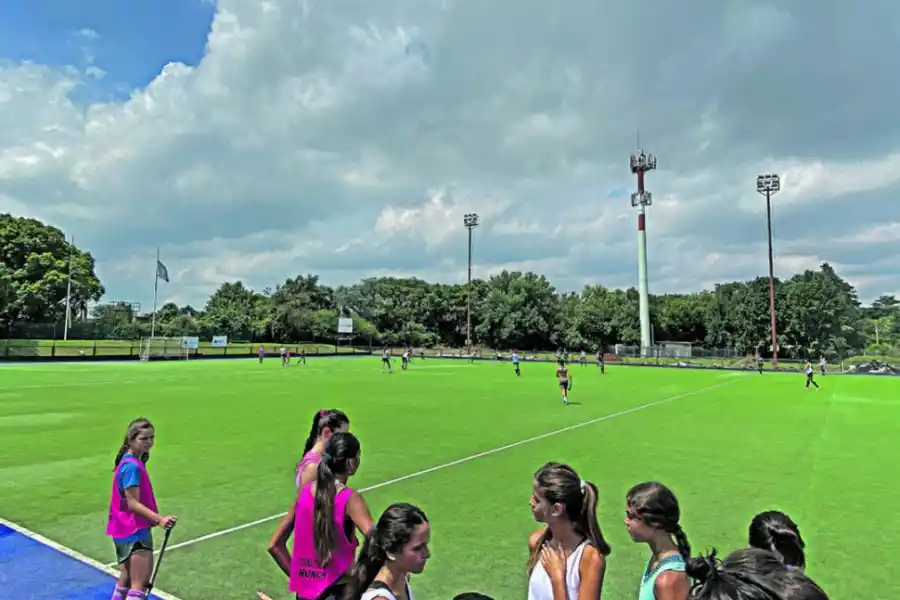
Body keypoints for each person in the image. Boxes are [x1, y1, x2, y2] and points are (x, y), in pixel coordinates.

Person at [266, 432, 375, 600]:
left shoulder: (304, 495)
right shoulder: (349, 498)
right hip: (339, 592)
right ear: (351, 463)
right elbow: (376, 540)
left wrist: (301, 580)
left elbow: (274, 546)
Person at [106, 418, 177, 600]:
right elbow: (133, 503)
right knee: (138, 587)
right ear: (131, 439)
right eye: (144, 439)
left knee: (125, 581)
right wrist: (159, 520)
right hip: (135, 530)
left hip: (121, 529)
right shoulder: (132, 467)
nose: (149, 442)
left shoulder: (126, 460)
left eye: (152, 438)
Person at [526, 462, 610, 600]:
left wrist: (557, 579)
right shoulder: (537, 542)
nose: (531, 501)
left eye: (537, 499)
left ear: (556, 509)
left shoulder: (589, 558)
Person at [342, 503, 430, 600]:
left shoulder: (401, 577)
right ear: (391, 553)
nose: (427, 554)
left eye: (426, 543)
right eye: (417, 548)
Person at [624, 481, 692, 600]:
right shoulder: (657, 559)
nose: (626, 521)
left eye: (631, 516)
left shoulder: (669, 578)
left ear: (655, 522)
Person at [296, 409, 350, 491]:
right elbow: (305, 498)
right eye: (341, 436)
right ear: (326, 433)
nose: (344, 440)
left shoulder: (324, 458)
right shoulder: (313, 468)